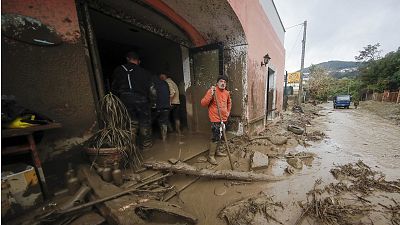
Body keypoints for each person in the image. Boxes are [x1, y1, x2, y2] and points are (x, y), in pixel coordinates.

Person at [111, 51, 154, 149]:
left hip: (125, 100)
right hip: (142, 100)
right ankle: (146, 147)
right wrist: (152, 103)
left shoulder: (118, 70)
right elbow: (152, 90)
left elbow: (113, 88)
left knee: (131, 123)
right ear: (139, 61)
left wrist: (115, 102)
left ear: (127, 58)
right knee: (145, 123)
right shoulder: (145, 72)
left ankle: (131, 149)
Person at [200, 75, 231, 165]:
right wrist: (211, 94)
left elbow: (229, 103)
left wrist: (228, 112)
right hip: (215, 118)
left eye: (225, 82)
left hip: (224, 118)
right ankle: (211, 156)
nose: (223, 83)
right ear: (217, 83)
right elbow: (203, 103)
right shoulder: (212, 91)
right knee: (215, 137)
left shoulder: (226, 93)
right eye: (221, 81)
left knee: (220, 135)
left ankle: (217, 152)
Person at [152, 75, 170, 141]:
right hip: (166, 106)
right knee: (164, 122)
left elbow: (152, 94)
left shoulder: (154, 83)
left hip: (157, 107)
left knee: (148, 122)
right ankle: (164, 139)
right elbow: (169, 93)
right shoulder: (166, 83)